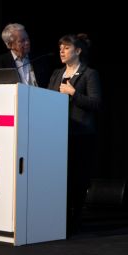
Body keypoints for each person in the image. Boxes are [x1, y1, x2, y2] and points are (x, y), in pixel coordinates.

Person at [47, 34, 102, 235]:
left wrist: (74, 94)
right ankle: (57, 216)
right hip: (57, 134)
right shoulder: (56, 74)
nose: (61, 51)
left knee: (77, 178)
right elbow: (46, 99)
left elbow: (96, 104)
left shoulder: (89, 74)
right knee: (60, 178)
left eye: (66, 47)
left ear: (78, 51)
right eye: (60, 47)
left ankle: (75, 218)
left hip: (80, 135)